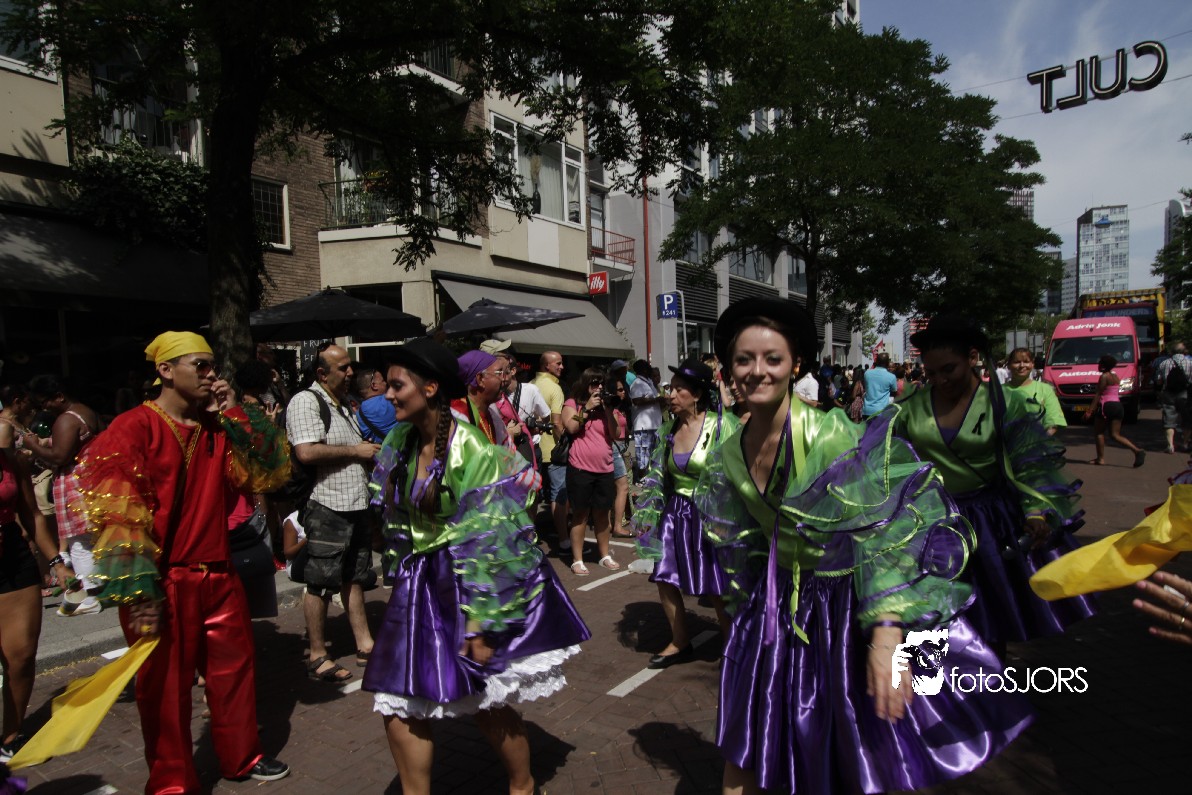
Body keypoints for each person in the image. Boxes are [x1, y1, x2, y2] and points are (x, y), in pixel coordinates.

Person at [696, 299, 1030, 794]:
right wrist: (745, 613)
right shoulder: (728, 450)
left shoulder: (832, 435)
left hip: (842, 612)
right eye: (744, 359)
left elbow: (886, 533)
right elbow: (746, 545)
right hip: (777, 612)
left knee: (855, 753)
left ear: (796, 366)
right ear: (728, 369)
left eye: (773, 358)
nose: (757, 371)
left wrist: (888, 636)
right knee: (751, 745)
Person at [364, 338, 590, 795]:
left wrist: (480, 623)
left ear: (429, 388)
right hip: (419, 582)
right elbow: (393, 518)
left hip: (468, 580)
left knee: (487, 699)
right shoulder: (398, 440)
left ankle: (523, 786)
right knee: (398, 699)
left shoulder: (470, 448)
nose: (387, 395)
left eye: (396, 385)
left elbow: (490, 540)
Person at [74, 331, 291, 791]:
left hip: (219, 572)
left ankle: (242, 757)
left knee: (234, 673)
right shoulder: (133, 427)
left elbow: (266, 471)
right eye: (201, 365)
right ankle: (172, 781)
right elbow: (118, 515)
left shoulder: (219, 426)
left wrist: (234, 410)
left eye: (213, 366)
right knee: (165, 690)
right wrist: (139, 592)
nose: (211, 374)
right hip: (163, 581)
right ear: (166, 371)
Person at [895, 315, 1096, 649]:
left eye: (949, 369)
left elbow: (1030, 462)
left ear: (972, 358)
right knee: (936, 622)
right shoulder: (909, 409)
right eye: (931, 373)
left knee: (991, 618)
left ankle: (991, 674)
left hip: (989, 522)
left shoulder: (1006, 403)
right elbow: (893, 465)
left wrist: (1035, 511)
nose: (940, 380)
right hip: (934, 523)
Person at [633, 358, 736, 668]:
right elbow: (660, 476)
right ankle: (680, 641)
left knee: (715, 582)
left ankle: (733, 643)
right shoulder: (669, 429)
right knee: (664, 576)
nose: (671, 395)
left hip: (711, 515)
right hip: (675, 514)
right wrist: (649, 511)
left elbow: (739, 473)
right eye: (671, 389)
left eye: (679, 390)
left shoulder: (722, 426)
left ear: (697, 394)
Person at [286, 344, 380, 684]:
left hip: (355, 503)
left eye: (350, 366)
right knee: (320, 582)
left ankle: (365, 643)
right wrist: (356, 451)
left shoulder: (343, 404)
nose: (351, 372)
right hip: (327, 505)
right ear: (322, 374)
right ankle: (317, 654)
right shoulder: (306, 401)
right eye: (343, 368)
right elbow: (307, 452)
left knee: (355, 576)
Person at [0, 416, 73, 762]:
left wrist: (57, 562)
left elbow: (33, 515)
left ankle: (11, 734)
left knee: (21, 656)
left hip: (13, 561)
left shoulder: (10, 460)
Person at [23, 374, 103, 615]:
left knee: (79, 543)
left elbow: (60, 456)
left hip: (76, 485)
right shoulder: (85, 411)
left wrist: (33, 446)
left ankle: (90, 596)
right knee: (89, 540)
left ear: (59, 397)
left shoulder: (66, 419)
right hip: (90, 480)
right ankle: (95, 588)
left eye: (45, 402)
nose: (44, 408)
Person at [562, 367, 619, 574]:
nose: (599, 387)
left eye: (602, 383)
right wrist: (586, 408)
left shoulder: (607, 406)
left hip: (605, 468)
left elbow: (616, 434)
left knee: (603, 514)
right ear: (586, 384)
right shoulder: (573, 404)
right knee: (580, 514)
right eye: (595, 383)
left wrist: (608, 411)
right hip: (580, 468)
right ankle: (577, 559)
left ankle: (604, 555)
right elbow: (571, 427)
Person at [533, 352, 569, 547]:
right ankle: (563, 539)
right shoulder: (554, 388)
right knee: (559, 494)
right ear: (547, 366)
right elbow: (557, 422)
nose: (562, 367)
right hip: (554, 450)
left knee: (533, 495)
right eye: (558, 363)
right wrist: (565, 442)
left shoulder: (531, 384)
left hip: (533, 448)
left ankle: (529, 537)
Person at [1084, 354, 1145, 468]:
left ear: (1103, 365)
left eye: (1100, 363)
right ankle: (1137, 450)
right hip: (1117, 405)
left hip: (1106, 405)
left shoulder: (1104, 376)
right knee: (1115, 435)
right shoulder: (1115, 376)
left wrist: (1089, 411)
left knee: (1099, 433)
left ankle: (1100, 458)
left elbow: (1098, 394)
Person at [1003, 346, 1065, 435]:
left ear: (1032, 364)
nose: (1022, 365)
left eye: (1026, 362)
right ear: (1009, 365)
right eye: (1016, 362)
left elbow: (1053, 423)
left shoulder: (1045, 389)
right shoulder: (997, 391)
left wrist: (1040, 440)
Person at [629, 360, 665, 482]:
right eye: (647, 367)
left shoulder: (649, 383)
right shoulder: (637, 383)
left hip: (655, 425)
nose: (650, 368)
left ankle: (653, 480)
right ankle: (642, 480)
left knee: (655, 455)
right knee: (643, 457)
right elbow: (636, 401)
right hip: (643, 427)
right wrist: (656, 400)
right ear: (643, 370)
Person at [1152, 341, 1191, 454]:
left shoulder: (1164, 363)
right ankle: (1185, 443)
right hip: (1185, 393)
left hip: (1168, 393)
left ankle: (1170, 445)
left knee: (1169, 419)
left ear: (1171, 352)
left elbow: (1158, 381)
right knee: (1187, 419)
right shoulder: (1190, 363)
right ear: (1184, 351)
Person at [607, 376, 633, 537]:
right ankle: (616, 525)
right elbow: (614, 432)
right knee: (622, 487)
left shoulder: (617, 409)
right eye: (620, 390)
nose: (623, 392)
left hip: (620, 447)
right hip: (614, 448)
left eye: (624, 389)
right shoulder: (611, 410)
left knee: (614, 487)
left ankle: (612, 524)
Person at [354, 367, 399, 443]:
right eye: (383, 381)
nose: (386, 383)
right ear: (374, 385)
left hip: (384, 450)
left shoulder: (358, 415)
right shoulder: (390, 400)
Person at [861, 352, 898, 418]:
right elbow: (894, 392)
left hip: (867, 410)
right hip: (882, 411)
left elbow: (866, 387)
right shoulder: (892, 377)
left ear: (876, 361)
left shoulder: (867, 373)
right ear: (887, 363)